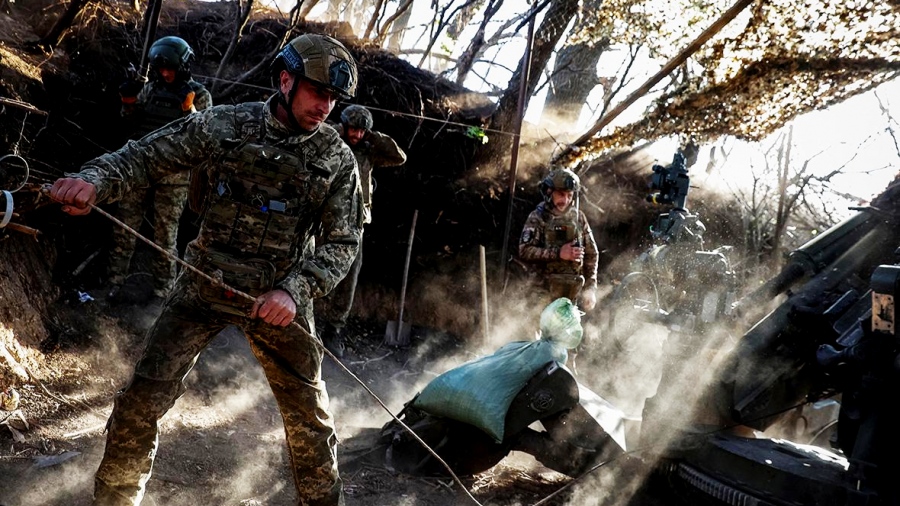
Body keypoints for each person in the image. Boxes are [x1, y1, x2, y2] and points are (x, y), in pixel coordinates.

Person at [50, 33, 363, 506]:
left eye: (333, 98)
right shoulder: (226, 124)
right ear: (285, 80)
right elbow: (147, 154)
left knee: (311, 425)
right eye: (318, 91)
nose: (326, 106)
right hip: (202, 287)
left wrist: (295, 292)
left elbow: (344, 242)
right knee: (139, 404)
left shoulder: (337, 160)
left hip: (276, 300)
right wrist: (94, 179)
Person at [109, 35, 213, 305]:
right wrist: (128, 102)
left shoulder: (199, 94)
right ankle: (113, 282)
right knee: (123, 228)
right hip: (142, 170)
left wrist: (188, 108)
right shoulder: (151, 89)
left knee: (165, 236)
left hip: (174, 177)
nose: (166, 74)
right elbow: (131, 124)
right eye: (161, 69)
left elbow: (206, 135)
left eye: (171, 68)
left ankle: (163, 292)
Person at [317, 104, 406, 357]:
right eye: (352, 129)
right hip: (324, 217)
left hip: (355, 223)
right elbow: (314, 134)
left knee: (349, 277)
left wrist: (373, 136)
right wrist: (337, 129)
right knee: (314, 264)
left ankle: (333, 329)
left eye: (361, 131)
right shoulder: (332, 141)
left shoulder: (369, 151)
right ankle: (305, 317)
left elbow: (399, 157)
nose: (356, 135)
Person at [518, 167, 599, 313]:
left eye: (569, 195)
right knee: (535, 335)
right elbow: (525, 250)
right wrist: (558, 253)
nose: (565, 200)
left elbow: (592, 254)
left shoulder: (578, 218)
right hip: (540, 294)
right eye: (561, 194)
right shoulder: (538, 217)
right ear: (550, 192)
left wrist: (590, 289)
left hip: (569, 295)